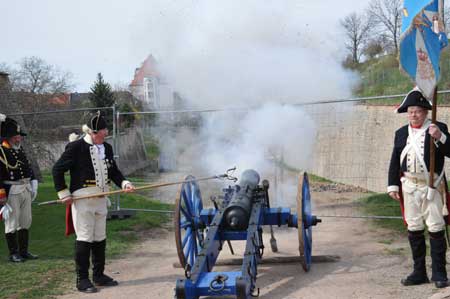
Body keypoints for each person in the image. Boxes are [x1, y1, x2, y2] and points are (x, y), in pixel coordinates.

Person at [52, 112, 135, 293]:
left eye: (105, 132)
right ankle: (82, 279)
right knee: (84, 238)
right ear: (91, 132)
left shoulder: (107, 147)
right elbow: (57, 170)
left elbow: (113, 171)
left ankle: (98, 275)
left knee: (100, 237)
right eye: (101, 133)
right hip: (83, 200)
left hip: (101, 198)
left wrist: (124, 182)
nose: (104, 135)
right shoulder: (76, 147)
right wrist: (63, 192)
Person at [388, 88, 450, 288]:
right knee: (414, 228)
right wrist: (393, 185)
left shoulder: (438, 127)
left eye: (417, 111)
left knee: (436, 228)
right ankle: (419, 272)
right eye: (410, 111)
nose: (413, 114)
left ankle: (439, 273)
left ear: (425, 112)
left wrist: (440, 136)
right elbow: (395, 162)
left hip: (431, 187)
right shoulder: (400, 133)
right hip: (408, 187)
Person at [0, 115, 39, 262]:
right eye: (16, 136)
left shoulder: (20, 150)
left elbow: (28, 168)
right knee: (12, 223)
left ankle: (24, 251)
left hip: (25, 189)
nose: (19, 139)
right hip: (12, 191)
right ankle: (13, 253)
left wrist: (33, 182)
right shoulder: (1, 151)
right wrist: (1, 196)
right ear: (9, 137)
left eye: (19, 136)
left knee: (25, 221)